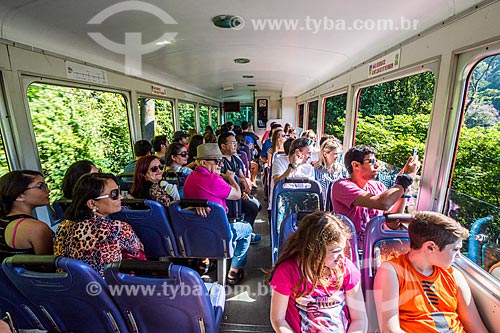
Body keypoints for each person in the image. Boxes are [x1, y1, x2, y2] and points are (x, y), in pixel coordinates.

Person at [374, 211, 488, 333]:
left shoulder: (454, 275)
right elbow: (390, 330)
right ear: (430, 247)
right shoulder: (392, 272)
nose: (458, 256)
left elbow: (476, 328)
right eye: (455, 250)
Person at [269, 211, 367, 333]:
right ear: (315, 251)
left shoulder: (346, 269)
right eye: (335, 251)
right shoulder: (287, 272)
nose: (342, 256)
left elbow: (360, 319)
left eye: (343, 249)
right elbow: (278, 320)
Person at [184, 143, 252, 284]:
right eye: (216, 161)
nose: (220, 164)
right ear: (203, 162)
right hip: (217, 235)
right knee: (246, 229)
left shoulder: (189, 178)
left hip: (194, 234)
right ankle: (234, 271)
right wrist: (231, 178)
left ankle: (205, 260)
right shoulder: (215, 180)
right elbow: (237, 195)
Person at [54, 173, 145, 277]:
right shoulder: (118, 229)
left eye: (119, 191)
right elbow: (139, 256)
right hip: (109, 289)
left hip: (73, 289)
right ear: (92, 204)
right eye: (114, 194)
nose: (120, 196)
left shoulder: (63, 227)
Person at [331, 145, 419, 245]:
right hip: (352, 249)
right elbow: (382, 203)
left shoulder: (379, 187)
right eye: (372, 162)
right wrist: (404, 180)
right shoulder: (341, 186)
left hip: (375, 247)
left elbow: (392, 224)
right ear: (355, 165)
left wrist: (403, 192)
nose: (377, 165)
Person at [218, 132, 261, 244]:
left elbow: (242, 176)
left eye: (235, 143)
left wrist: (244, 186)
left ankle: (246, 229)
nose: (235, 145)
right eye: (232, 143)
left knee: (258, 205)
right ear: (223, 146)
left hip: (239, 193)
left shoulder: (236, 160)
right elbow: (223, 181)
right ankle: (245, 234)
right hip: (228, 197)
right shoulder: (219, 162)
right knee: (253, 208)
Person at [0, 170, 53, 261]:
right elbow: (50, 269)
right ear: (19, 196)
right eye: (41, 186)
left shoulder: (3, 221)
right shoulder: (36, 228)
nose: (48, 190)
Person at [314, 139, 347, 207]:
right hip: (321, 206)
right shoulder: (316, 170)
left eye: (338, 154)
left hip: (338, 205)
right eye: (335, 154)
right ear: (325, 154)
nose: (337, 156)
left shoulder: (342, 171)